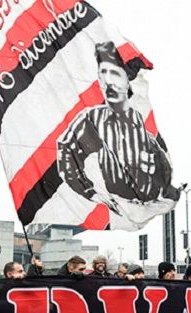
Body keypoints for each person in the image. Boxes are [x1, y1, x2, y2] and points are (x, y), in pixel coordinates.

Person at [57, 41, 180, 228]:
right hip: (120, 206)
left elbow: (163, 169)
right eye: (102, 75)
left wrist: (159, 180)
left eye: (114, 73)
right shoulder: (93, 119)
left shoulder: (139, 119)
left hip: (148, 206)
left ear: (125, 79)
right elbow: (66, 149)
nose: (108, 82)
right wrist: (90, 192)